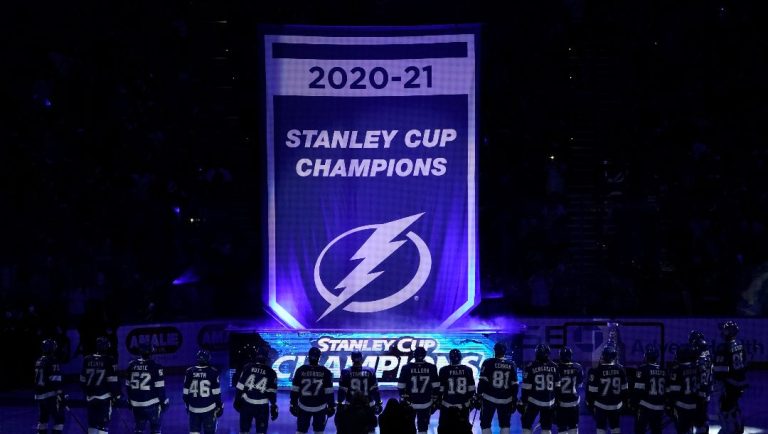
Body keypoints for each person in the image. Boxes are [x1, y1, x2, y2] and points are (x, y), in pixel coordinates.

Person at [713, 320, 748, 434]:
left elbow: (720, 370)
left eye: (725, 330)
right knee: (733, 402)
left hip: (730, 382)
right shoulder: (740, 344)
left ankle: (728, 429)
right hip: (741, 380)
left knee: (722, 408)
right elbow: (745, 362)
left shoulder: (723, 347)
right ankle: (737, 422)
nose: (723, 332)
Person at [126, 342, 168, 434]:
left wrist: (130, 401)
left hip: (136, 404)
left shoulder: (131, 365)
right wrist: (164, 402)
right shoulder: (156, 366)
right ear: (151, 353)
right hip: (151, 404)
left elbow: (128, 386)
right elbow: (160, 388)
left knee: (139, 428)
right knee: (156, 428)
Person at [234, 346, 278, 434]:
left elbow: (240, 386)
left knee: (244, 431)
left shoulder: (247, 368)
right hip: (262, 407)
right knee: (261, 431)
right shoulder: (271, 372)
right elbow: (272, 393)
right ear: (266, 357)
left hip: (247, 404)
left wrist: (237, 400)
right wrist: (273, 406)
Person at [81, 336, 120, 433]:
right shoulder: (109, 360)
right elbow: (112, 380)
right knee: (103, 425)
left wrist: (87, 393)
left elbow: (82, 380)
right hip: (104, 397)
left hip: (90, 397)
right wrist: (116, 395)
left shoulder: (87, 359)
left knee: (92, 424)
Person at [290, 347, 335, 434]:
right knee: (319, 431)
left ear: (308, 356)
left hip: (303, 406)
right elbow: (329, 391)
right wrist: (331, 406)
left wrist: (293, 404)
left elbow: (295, 390)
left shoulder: (300, 370)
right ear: (319, 357)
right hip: (320, 407)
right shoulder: (325, 371)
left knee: (301, 431)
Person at [477, 342, 518, 434]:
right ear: (505, 351)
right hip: (506, 399)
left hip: (489, 398)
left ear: (495, 350)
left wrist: (478, 395)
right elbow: (514, 385)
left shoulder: (488, 362)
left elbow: (482, 381)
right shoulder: (511, 364)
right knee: (505, 425)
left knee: (485, 424)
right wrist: (514, 399)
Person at [586, 345, 628, 434]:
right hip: (616, 406)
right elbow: (625, 390)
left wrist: (590, 406)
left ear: (603, 355)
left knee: (601, 428)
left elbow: (591, 392)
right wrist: (623, 404)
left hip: (600, 406)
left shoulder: (596, 370)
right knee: (615, 427)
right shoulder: (620, 369)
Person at [398, 346, 440, 434]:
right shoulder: (432, 367)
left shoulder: (406, 367)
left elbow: (401, 387)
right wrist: (435, 401)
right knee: (423, 429)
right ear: (424, 355)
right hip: (426, 403)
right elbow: (436, 387)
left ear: (414, 355)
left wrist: (405, 399)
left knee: (409, 427)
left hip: (410, 403)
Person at [520, 344, 560, 434]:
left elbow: (526, 387)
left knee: (526, 424)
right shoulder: (555, 366)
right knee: (546, 427)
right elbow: (557, 387)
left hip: (533, 401)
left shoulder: (530, 366)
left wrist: (523, 401)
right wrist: (556, 402)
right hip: (549, 402)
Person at [338, 351, 381, 434]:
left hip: (351, 405)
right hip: (368, 405)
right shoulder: (370, 371)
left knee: (352, 428)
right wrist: (378, 402)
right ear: (361, 358)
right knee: (370, 428)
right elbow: (374, 390)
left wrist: (340, 403)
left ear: (351, 358)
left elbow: (342, 391)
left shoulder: (345, 372)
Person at [182, 349, 223, 434]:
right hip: (209, 409)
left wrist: (188, 405)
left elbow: (185, 393)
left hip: (193, 409)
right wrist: (219, 406)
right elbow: (216, 393)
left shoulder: (189, 371)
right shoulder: (213, 371)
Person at [436, 348, 475, 434]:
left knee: (444, 430)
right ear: (460, 357)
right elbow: (472, 390)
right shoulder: (468, 370)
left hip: (447, 406)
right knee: (463, 429)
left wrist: (438, 401)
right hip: (463, 406)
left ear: (450, 358)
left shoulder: (443, 370)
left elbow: (440, 390)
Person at [631, 346, 666, 434]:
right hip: (659, 407)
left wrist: (633, 403)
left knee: (640, 430)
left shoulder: (642, 369)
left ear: (646, 357)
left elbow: (638, 389)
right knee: (657, 431)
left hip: (646, 406)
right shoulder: (663, 370)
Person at [34, 338, 65, 434]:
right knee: (59, 419)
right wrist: (61, 394)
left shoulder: (39, 360)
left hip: (40, 395)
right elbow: (55, 379)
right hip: (50, 395)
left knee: (43, 419)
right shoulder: (52, 360)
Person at [667, 344, 699, 434]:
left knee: (682, 429)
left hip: (682, 404)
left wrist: (670, 404)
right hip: (694, 404)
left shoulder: (677, 369)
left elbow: (674, 390)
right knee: (690, 427)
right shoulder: (696, 367)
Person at [689, 330, 713, 434]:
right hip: (707, 390)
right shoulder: (708, 356)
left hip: (698, 391)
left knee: (697, 415)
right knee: (703, 413)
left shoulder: (697, 360)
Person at [555, 346, 583, 434]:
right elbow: (580, 384)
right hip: (574, 402)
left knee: (562, 428)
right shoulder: (578, 367)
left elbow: (554, 387)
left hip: (561, 403)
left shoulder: (556, 368)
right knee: (573, 427)